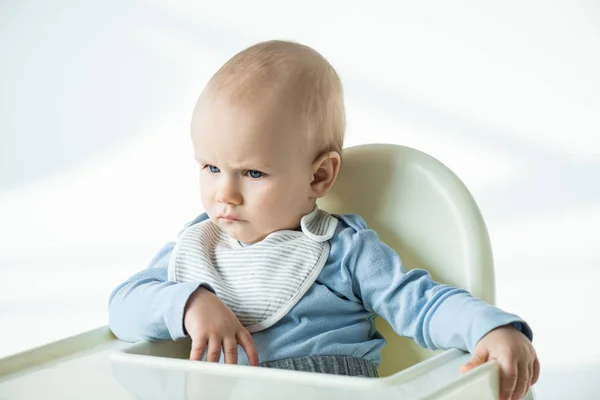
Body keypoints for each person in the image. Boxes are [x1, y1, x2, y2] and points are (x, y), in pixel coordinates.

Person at [109, 40, 539, 400]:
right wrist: (189, 304)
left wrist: (491, 330)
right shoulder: (197, 247)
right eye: (210, 168)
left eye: (253, 173)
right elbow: (123, 308)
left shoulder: (344, 251)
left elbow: (421, 303)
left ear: (319, 175)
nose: (225, 193)